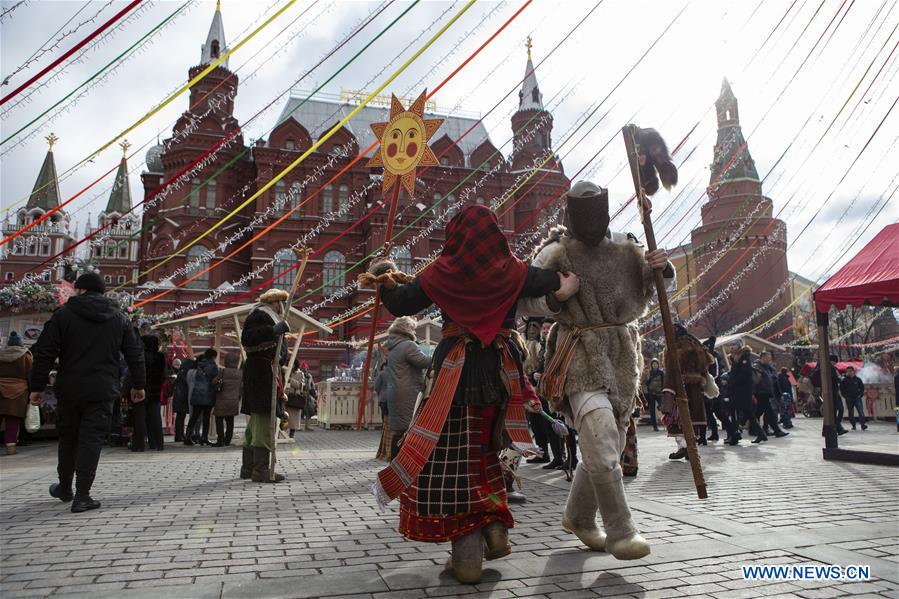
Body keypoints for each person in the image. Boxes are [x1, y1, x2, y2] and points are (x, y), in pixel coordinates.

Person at [368, 205, 578, 584]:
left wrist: (384, 276)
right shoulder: (514, 271)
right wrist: (564, 285)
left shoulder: (441, 272)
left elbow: (400, 303)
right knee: (488, 452)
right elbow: (557, 282)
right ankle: (494, 528)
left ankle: (466, 553)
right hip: (500, 376)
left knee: (451, 463)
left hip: (453, 376)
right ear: (495, 235)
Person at [524, 180, 675, 561]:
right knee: (599, 430)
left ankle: (578, 516)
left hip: (623, 356)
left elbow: (658, 287)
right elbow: (525, 300)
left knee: (608, 439)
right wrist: (556, 297)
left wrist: (663, 267)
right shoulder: (555, 254)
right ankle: (621, 530)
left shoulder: (626, 249)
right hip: (578, 352)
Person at [29, 272, 145, 513]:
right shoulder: (119, 318)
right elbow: (135, 353)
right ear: (103, 292)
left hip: (70, 387)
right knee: (91, 439)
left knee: (69, 437)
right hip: (103, 389)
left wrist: (37, 386)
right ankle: (83, 495)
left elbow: (44, 352)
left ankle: (64, 487)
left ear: (79, 290)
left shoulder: (63, 315)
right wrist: (139, 385)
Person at [240, 289, 290, 483]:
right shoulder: (261, 314)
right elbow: (249, 339)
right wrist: (273, 331)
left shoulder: (262, 314)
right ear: (275, 302)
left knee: (256, 421)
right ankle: (260, 470)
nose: (282, 307)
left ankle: (248, 467)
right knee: (263, 419)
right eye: (281, 303)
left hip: (262, 370)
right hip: (262, 371)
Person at [661, 325, 714, 459]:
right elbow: (706, 365)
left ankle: (686, 448)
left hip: (681, 386)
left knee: (680, 418)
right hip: (696, 388)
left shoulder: (676, 347)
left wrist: (668, 393)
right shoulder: (696, 343)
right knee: (693, 417)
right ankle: (691, 447)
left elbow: (672, 370)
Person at [383, 317, 430, 459]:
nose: (415, 331)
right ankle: (402, 465)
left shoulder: (394, 346)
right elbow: (423, 361)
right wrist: (439, 355)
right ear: (407, 329)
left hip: (395, 392)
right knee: (408, 429)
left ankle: (394, 464)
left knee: (398, 430)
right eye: (413, 328)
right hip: (408, 392)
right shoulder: (408, 345)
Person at [131, 334, 166, 452]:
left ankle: (139, 445)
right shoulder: (160, 357)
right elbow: (164, 375)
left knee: (139, 419)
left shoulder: (140, 356)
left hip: (140, 389)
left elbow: (134, 372)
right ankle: (159, 444)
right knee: (156, 419)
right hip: (155, 392)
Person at [0, 331, 32, 456]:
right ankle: (11, 447)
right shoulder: (26, 357)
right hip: (19, 392)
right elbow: (30, 376)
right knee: (13, 420)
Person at [727, 344, 766, 444]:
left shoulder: (744, 358)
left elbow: (745, 374)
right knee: (737, 412)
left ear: (739, 348)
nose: (731, 348)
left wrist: (733, 381)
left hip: (743, 391)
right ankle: (758, 434)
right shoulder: (735, 359)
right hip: (736, 390)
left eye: (733, 346)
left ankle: (736, 435)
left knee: (745, 412)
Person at [184, 349, 218, 446]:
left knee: (194, 416)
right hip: (208, 394)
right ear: (213, 356)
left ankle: (187, 436)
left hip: (197, 393)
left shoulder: (199, 364)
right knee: (206, 417)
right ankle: (204, 438)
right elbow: (215, 379)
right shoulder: (212, 366)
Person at [753, 351, 788, 439]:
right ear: (763, 357)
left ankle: (754, 429)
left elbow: (772, 378)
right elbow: (756, 380)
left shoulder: (768, 368)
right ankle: (777, 431)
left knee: (758, 413)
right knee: (769, 412)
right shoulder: (757, 367)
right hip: (761, 392)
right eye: (768, 358)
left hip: (766, 392)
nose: (770, 360)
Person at [812, 355, 847, 435]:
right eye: (835, 362)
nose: (835, 364)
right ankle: (837, 428)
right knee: (834, 411)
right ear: (832, 361)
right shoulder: (830, 368)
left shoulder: (821, 367)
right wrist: (840, 379)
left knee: (829, 412)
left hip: (826, 391)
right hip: (832, 391)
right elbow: (834, 378)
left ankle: (828, 430)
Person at [213, 353, 241, 446]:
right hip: (234, 400)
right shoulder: (240, 373)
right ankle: (227, 440)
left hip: (222, 400)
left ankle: (220, 440)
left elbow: (214, 382)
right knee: (230, 421)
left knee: (219, 420)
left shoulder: (223, 371)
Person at [171, 357, 192, 442]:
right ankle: (179, 435)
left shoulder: (181, 372)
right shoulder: (184, 374)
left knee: (180, 417)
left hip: (179, 398)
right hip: (182, 398)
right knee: (180, 418)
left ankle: (180, 435)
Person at [839, 365, 866, 430]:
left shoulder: (858, 379)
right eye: (848, 371)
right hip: (849, 399)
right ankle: (853, 425)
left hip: (857, 398)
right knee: (850, 413)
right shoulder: (844, 380)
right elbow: (842, 389)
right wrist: (845, 396)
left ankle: (863, 425)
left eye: (850, 371)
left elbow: (862, 388)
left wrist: (860, 394)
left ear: (853, 371)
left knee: (861, 412)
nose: (849, 373)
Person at [644, 359, 664, 432]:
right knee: (652, 410)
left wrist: (662, 390)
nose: (655, 365)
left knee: (663, 408)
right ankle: (655, 426)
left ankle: (667, 424)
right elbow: (646, 383)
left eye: (656, 364)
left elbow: (663, 382)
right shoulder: (649, 373)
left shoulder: (661, 372)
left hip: (659, 393)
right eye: (653, 364)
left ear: (658, 365)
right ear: (651, 365)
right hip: (651, 393)